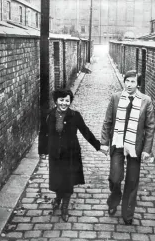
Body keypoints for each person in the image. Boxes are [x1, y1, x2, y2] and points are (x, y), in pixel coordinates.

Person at [39, 89, 108, 222]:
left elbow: (85, 131)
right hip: (55, 155)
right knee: (57, 179)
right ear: (56, 101)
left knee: (68, 181)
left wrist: (98, 146)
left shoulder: (75, 115)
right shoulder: (49, 115)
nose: (64, 103)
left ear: (70, 102)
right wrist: (42, 151)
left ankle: (64, 208)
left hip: (71, 154)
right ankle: (58, 198)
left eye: (67, 100)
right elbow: (43, 133)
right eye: (61, 100)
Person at [101, 70, 155, 225]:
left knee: (132, 180)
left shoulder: (146, 101)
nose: (129, 85)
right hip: (117, 142)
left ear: (138, 84)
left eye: (133, 82)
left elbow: (150, 127)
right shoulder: (116, 98)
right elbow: (107, 122)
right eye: (127, 81)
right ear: (124, 82)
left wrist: (146, 149)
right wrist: (104, 143)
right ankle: (114, 199)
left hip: (135, 146)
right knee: (115, 177)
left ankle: (127, 214)